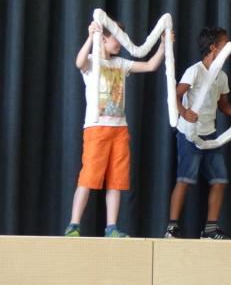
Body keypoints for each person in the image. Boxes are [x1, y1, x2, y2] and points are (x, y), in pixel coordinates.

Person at [65, 19, 168, 237]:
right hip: (97, 128)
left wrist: (164, 46)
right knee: (89, 177)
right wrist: (90, 36)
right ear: (103, 38)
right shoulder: (92, 61)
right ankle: (74, 224)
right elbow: (78, 62)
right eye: (116, 38)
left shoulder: (120, 64)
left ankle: (111, 227)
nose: (120, 42)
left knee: (116, 180)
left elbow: (150, 66)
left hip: (119, 130)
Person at [164, 27, 231, 239]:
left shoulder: (221, 77)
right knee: (184, 179)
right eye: (225, 45)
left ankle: (210, 229)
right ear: (213, 48)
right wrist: (185, 113)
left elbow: (224, 105)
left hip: (210, 136)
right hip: (189, 134)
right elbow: (175, 95)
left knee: (220, 180)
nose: (229, 49)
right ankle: (172, 227)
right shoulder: (195, 71)